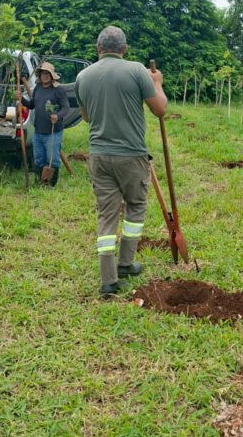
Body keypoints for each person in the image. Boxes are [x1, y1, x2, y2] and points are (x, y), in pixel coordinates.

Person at [75, 26, 167, 297]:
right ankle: (126, 263)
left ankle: (108, 280)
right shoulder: (137, 70)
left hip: (99, 156)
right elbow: (160, 109)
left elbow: (86, 117)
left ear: (98, 48)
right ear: (124, 49)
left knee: (107, 214)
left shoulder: (83, 76)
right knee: (136, 206)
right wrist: (158, 83)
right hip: (131, 155)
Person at [20, 62, 70, 186]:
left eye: (47, 73)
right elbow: (32, 105)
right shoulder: (38, 88)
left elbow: (65, 108)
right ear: (40, 75)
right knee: (39, 158)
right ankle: (39, 182)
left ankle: (51, 184)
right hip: (38, 131)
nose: (45, 76)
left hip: (53, 131)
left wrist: (57, 116)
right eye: (43, 73)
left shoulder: (59, 90)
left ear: (52, 75)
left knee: (52, 159)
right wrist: (21, 99)